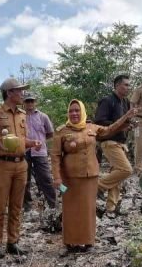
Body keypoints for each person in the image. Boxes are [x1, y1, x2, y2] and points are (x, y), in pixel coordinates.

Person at [51, 99, 135, 254]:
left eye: (77, 110)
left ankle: (88, 242)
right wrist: (57, 178)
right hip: (69, 176)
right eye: (71, 111)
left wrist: (126, 117)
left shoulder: (92, 127)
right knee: (70, 209)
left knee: (88, 209)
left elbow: (110, 129)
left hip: (90, 175)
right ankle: (70, 243)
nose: (74, 113)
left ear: (82, 112)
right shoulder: (61, 131)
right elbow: (55, 156)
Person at [0, 78, 41, 258]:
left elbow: (20, 141)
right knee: (0, 205)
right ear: (9, 93)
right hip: (3, 165)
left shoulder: (22, 114)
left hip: (21, 165)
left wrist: (32, 143)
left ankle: (13, 242)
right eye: (19, 91)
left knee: (16, 206)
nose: (23, 94)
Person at [94, 74, 134, 217]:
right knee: (126, 170)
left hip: (121, 143)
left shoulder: (126, 102)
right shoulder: (107, 101)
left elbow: (125, 122)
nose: (128, 87)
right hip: (109, 141)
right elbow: (99, 122)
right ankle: (96, 187)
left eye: (129, 85)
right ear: (117, 85)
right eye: (126, 85)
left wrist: (128, 126)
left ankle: (111, 208)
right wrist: (119, 126)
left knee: (116, 176)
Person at [22, 92, 57, 212]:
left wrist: (41, 141)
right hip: (24, 151)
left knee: (46, 178)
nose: (30, 103)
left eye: (32, 101)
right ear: (24, 102)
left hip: (40, 152)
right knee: (24, 180)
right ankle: (27, 205)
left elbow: (50, 133)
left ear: (35, 102)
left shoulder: (43, 116)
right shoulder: (20, 116)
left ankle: (53, 204)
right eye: (27, 101)